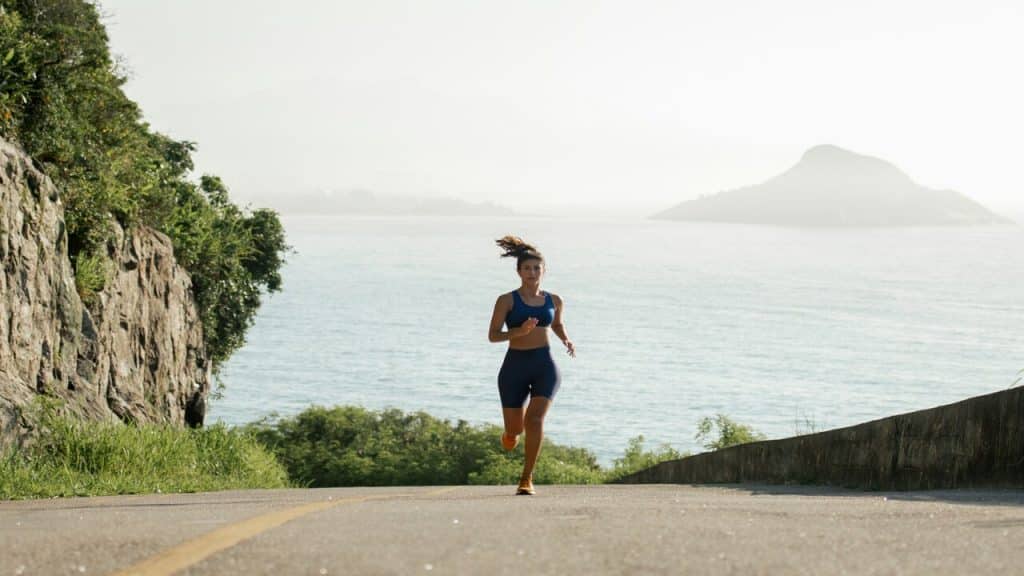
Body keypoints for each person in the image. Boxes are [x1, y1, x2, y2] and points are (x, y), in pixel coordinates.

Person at [488, 235, 575, 495]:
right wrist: (518, 331)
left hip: (545, 365)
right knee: (516, 428)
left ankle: (526, 478)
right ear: (518, 271)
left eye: (537, 268)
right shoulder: (507, 300)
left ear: (544, 271)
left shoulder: (554, 300)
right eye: (527, 268)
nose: (532, 272)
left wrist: (566, 339)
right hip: (514, 366)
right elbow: (493, 335)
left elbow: (556, 324)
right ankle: (510, 433)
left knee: (535, 420)